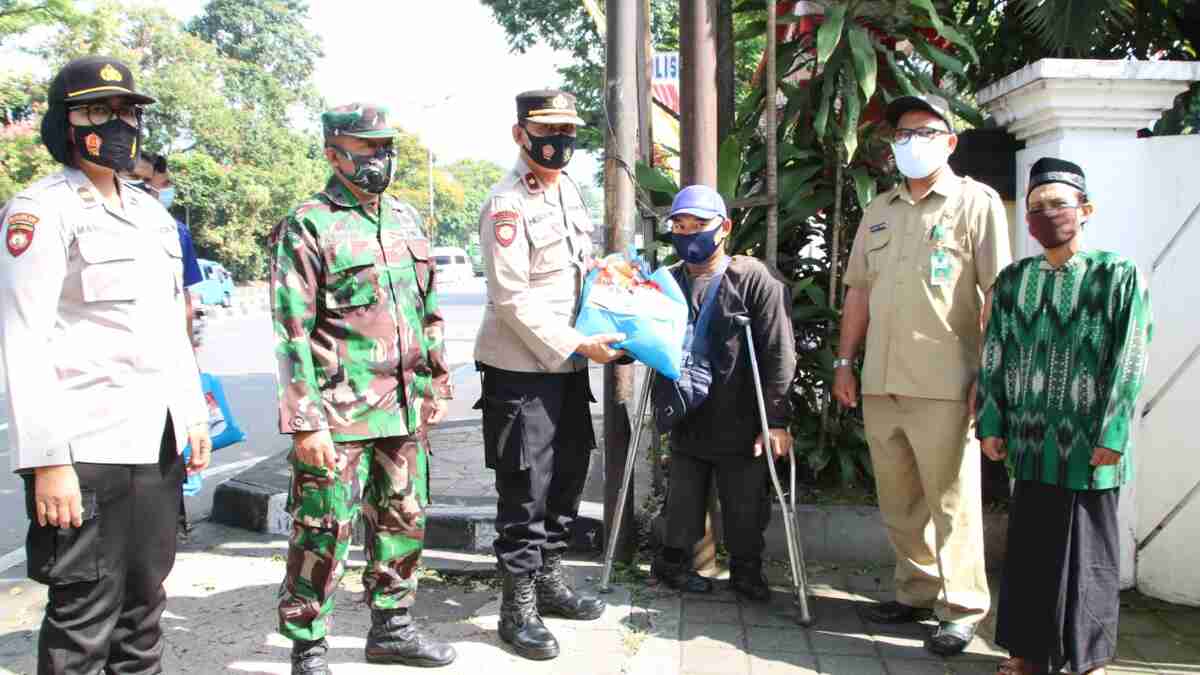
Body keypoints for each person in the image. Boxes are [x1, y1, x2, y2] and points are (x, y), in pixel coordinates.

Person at [0, 55, 212, 675]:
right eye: (99, 111)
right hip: (84, 450)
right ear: (66, 123)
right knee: (83, 619)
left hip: (157, 442)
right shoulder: (40, 210)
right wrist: (47, 463)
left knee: (144, 611)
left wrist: (192, 416)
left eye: (126, 112)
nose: (117, 124)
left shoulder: (150, 213)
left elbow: (170, 329)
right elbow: (24, 339)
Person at [269, 103, 456, 673]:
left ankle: (391, 628)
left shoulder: (405, 219)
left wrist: (437, 382)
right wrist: (306, 422)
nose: (379, 159)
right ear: (333, 153)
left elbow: (428, 311)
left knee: (403, 520)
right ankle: (309, 647)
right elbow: (290, 330)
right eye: (365, 148)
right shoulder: (309, 223)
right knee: (324, 531)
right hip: (338, 414)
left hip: (403, 410)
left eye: (384, 148)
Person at [834, 94, 1011, 656]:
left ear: (950, 141)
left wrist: (991, 372)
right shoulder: (879, 209)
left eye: (925, 132)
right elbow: (859, 291)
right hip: (881, 379)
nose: (912, 142)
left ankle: (961, 607)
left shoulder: (975, 204)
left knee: (952, 500)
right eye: (903, 134)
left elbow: (997, 296)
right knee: (899, 498)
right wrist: (844, 362)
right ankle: (915, 592)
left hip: (947, 381)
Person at [978, 158, 1152, 675]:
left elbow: (1132, 354)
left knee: (1087, 558)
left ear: (1085, 209)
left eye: (1058, 203)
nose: (1046, 214)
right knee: (1030, 554)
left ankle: (1088, 660)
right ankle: (1028, 654)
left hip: (1090, 445)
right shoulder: (1012, 281)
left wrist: (1114, 432)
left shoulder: (1117, 276)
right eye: (1036, 207)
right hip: (1031, 444)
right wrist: (992, 423)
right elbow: (995, 353)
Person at [474, 89, 625, 661]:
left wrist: (613, 288)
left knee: (567, 473)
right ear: (521, 134)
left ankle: (551, 578)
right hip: (521, 371)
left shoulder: (570, 192)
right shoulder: (506, 203)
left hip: (566, 367)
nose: (560, 141)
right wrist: (577, 341)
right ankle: (517, 606)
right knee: (524, 487)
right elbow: (511, 298)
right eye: (548, 131)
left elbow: (577, 272)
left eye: (569, 131)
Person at [649, 185, 797, 602]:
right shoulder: (668, 281)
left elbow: (779, 353)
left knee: (746, 505)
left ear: (725, 228)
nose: (688, 233)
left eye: (699, 225)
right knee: (682, 503)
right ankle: (672, 565)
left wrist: (778, 420)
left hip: (742, 419)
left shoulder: (754, 279)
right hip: (688, 413)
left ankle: (748, 572)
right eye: (679, 225)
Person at [129, 151, 205, 541]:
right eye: (143, 182)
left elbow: (184, 302)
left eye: (153, 184)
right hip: (107, 385)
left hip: (163, 368)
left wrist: (188, 362)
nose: (156, 191)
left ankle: (171, 521)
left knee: (167, 451)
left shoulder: (172, 231)